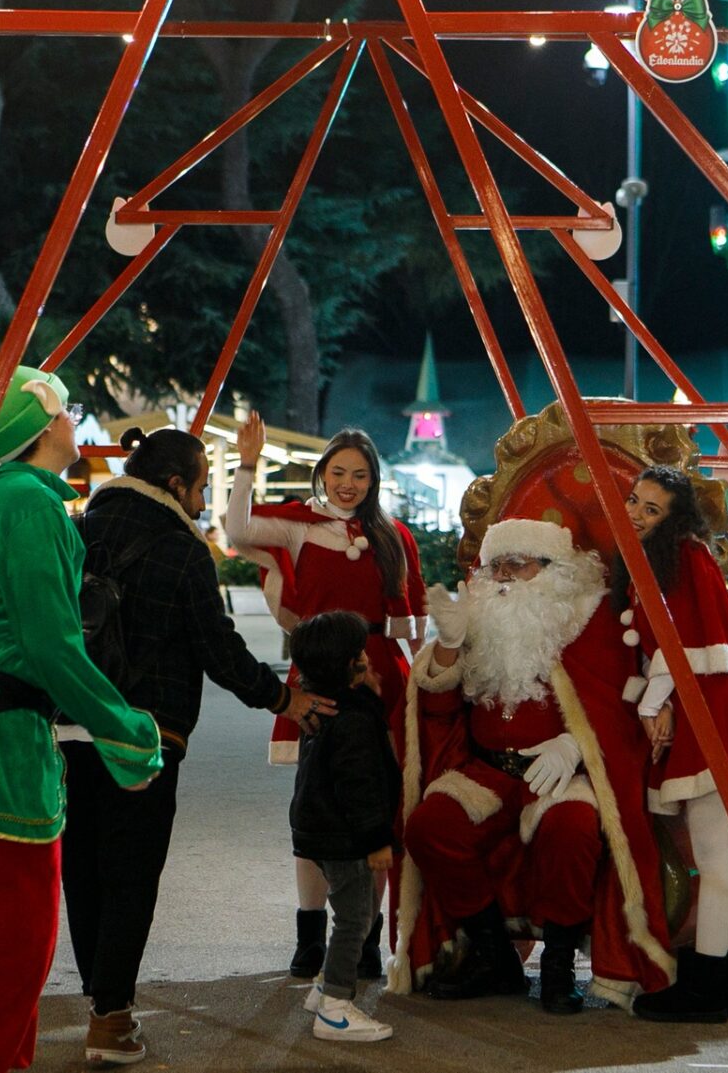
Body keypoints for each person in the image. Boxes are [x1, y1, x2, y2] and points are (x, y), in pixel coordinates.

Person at [0, 361, 162, 1073]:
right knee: (7, 956)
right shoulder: (28, 504)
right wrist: (126, 730)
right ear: (40, 425)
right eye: (65, 408)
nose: (76, 418)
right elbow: (52, 644)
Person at [64, 425, 336, 1064]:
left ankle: (99, 995)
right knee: (131, 872)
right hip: (147, 734)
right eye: (201, 484)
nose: (201, 498)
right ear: (177, 484)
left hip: (70, 724)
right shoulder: (182, 550)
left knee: (83, 864)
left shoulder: (78, 531)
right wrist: (280, 698)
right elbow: (218, 649)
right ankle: (110, 1016)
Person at [396, 516, 677, 1015]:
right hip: (485, 772)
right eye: (495, 566)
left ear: (553, 570)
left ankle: (559, 964)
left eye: (517, 565)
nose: (502, 576)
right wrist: (450, 644)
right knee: (428, 828)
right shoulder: (477, 620)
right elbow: (436, 711)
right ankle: (494, 954)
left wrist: (573, 745)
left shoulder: (589, 624)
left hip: (560, 773)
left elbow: (616, 707)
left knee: (572, 828)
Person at [226, 412, 425, 980]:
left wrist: (411, 667)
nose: (348, 483)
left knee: (378, 809)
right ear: (322, 474)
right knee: (316, 809)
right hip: (317, 678)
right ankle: (310, 935)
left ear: (374, 480)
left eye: (359, 475)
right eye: (338, 472)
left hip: (383, 676)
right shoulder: (298, 525)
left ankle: (362, 938)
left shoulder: (395, 536)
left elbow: (412, 623)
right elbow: (237, 531)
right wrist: (246, 465)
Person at [618, 464, 728, 1024]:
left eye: (652, 509)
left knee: (716, 858)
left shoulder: (685, 557)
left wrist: (652, 705)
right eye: (634, 501)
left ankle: (703, 991)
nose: (637, 514)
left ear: (675, 519)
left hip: (713, 713)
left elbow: (685, 643)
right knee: (722, 857)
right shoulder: (675, 556)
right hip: (713, 708)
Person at [288, 610, 398, 1043]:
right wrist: (376, 840)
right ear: (347, 664)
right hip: (345, 835)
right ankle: (334, 1007)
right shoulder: (351, 720)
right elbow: (360, 785)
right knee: (355, 918)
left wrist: (367, 694)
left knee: (356, 909)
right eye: (360, 654)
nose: (368, 659)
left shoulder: (328, 702)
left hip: (319, 830)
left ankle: (323, 988)